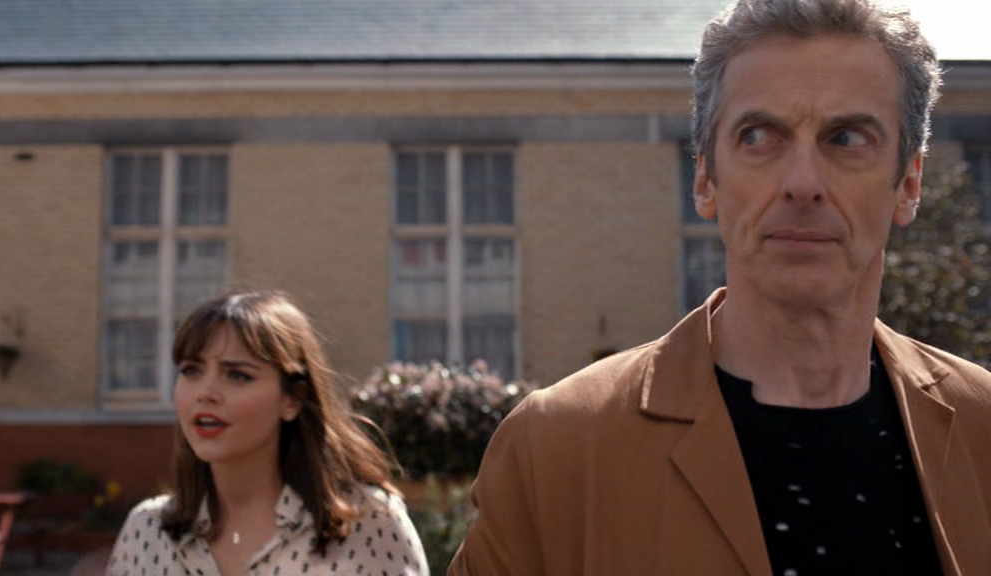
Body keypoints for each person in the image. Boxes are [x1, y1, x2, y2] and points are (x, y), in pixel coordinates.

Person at [448, 0, 991, 574]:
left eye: (847, 138)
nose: (802, 183)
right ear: (706, 178)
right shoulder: (558, 447)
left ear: (908, 183)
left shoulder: (981, 429)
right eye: (759, 136)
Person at [107, 290, 429, 576]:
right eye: (192, 370)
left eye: (237, 375)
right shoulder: (146, 529)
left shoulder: (369, 520)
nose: (205, 393)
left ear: (292, 400)